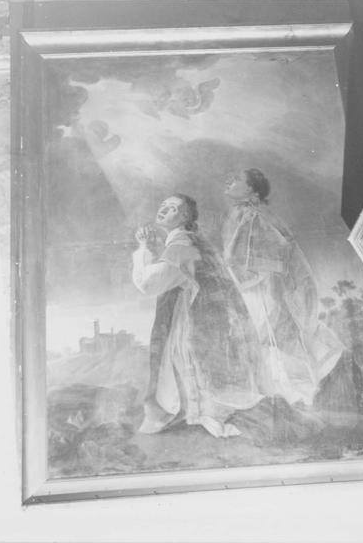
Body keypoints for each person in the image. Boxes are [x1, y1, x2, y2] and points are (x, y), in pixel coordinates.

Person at [132, 194, 263, 438]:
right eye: (162, 206)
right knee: (183, 361)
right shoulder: (190, 241)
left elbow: (149, 284)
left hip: (192, 317)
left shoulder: (180, 245)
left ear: (184, 216)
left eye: (172, 208)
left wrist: (143, 249)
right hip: (199, 314)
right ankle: (196, 411)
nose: (163, 210)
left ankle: (199, 413)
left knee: (183, 359)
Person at [222, 169, 344, 406]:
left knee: (275, 334)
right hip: (251, 288)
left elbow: (279, 255)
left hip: (267, 289)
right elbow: (234, 258)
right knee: (262, 338)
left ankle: (300, 394)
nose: (229, 180)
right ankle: (281, 394)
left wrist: (274, 294)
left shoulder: (256, 215)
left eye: (236, 178)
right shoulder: (239, 214)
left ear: (252, 189)